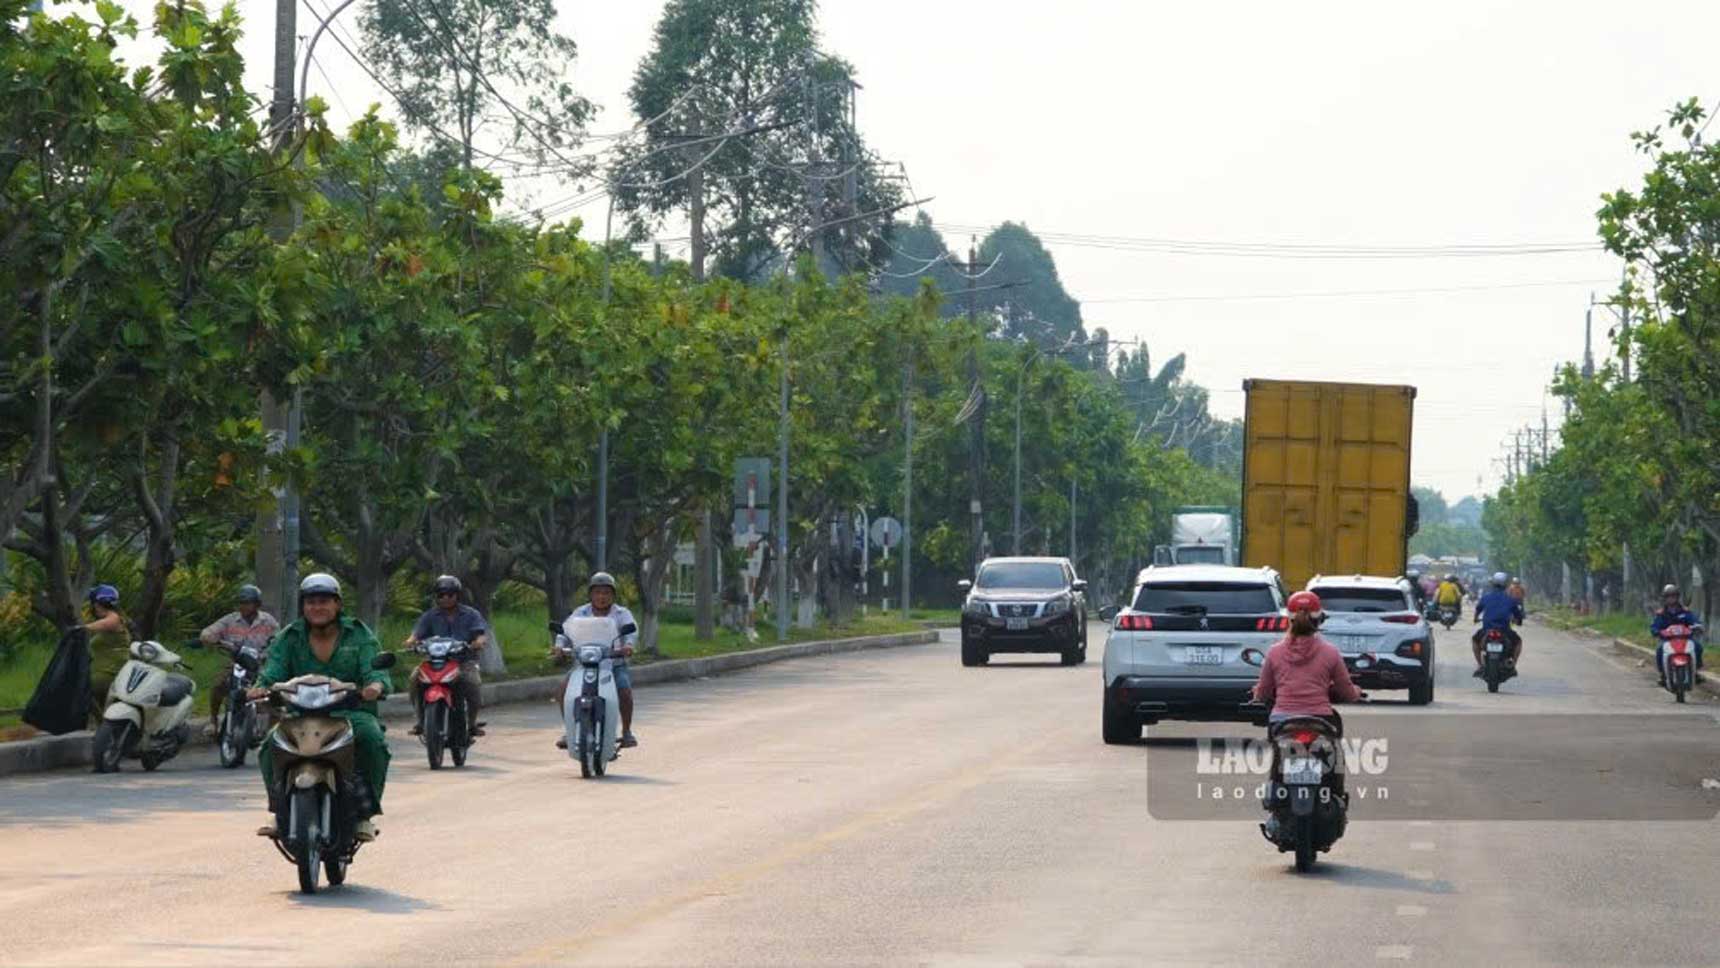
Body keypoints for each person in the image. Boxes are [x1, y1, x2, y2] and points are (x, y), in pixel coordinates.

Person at [247, 573, 390, 843]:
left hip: (350, 714)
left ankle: (364, 816)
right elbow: (273, 671)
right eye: (311, 602)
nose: (318, 607)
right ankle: (278, 810)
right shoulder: (290, 636)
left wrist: (375, 686)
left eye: (324, 601)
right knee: (269, 746)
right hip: (300, 715)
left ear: (337, 605)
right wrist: (261, 687)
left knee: (372, 739)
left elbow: (374, 670)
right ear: (303, 606)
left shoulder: (357, 633)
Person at [554, 572, 638, 749]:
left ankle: (627, 732)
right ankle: (569, 730)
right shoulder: (580, 613)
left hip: (613, 664)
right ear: (591, 594)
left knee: (624, 691)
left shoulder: (622, 614)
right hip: (584, 665)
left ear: (613, 595)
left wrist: (628, 646)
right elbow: (566, 631)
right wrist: (559, 646)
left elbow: (631, 632)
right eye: (598, 592)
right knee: (563, 690)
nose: (602, 596)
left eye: (606, 592)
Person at [403, 575, 488, 737]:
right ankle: (421, 721)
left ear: (457, 595)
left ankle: (471, 724)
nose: (445, 598)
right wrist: (410, 642)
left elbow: (481, 635)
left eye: (450, 594)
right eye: (441, 595)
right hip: (435, 662)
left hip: (464, 662)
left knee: (473, 684)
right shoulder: (429, 616)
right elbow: (416, 635)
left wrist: (478, 642)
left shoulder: (471, 614)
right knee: (415, 679)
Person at [198, 584, 280, 738]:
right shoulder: (230, 620)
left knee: (274, 692)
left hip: (260, 664)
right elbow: (208, 632)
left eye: (248, 602)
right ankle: (213, 720)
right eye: (241, 602)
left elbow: (278, 639)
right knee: (219, 685)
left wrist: (268, 652)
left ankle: (272, 730)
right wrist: (210, 637)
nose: (244, 606)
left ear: (257, 604)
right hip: (236, 663)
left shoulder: (267, 621)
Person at [80, 585, 136, 723]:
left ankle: (103, 725)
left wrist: (80, 628)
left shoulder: (114, 619)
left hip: (110, 673)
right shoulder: (112, 620)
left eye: (93, 604)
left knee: (81, 690)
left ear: (98, 604)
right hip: (104, 671)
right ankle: (103, 726)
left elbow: (103, 624)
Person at [1649, 583, 1704, 687]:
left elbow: (1694, 621)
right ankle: (1662, 674)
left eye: (1673, 596)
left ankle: (1695, 671)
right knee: (1659, 650)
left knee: (1698, 647)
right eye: (1668, 596)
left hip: (1686, 639)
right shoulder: (1661, 614)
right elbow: (1654, 626)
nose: (1671, 598)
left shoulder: (1685, 611)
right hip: (1668, 640)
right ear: (1665, 598)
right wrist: (1656, 631)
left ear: (1677, 597)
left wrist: (1697, 626)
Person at [1472, 572, 1525, 675]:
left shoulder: (1486, 597)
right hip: (1505, 631)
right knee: (1518, 642)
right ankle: (1512, 665)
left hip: (1487, 630)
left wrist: (1475, 618)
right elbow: (1518, 615)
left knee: (1475, 640)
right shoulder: (1510, 599)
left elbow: (1478, 609)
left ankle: (1479, 665)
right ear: (1506, 585)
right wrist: (1518, 621)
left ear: (1492, 584)